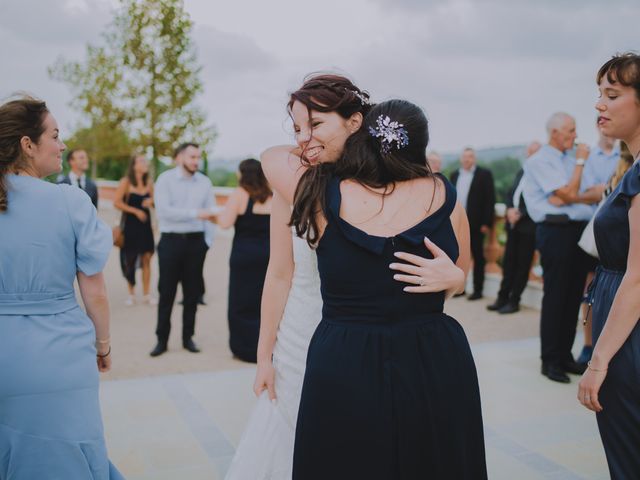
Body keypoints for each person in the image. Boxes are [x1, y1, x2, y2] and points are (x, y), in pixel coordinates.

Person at [226, 75, 465, 480]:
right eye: (297, 127)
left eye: (315, 124)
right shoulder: (298, 186)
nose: (303, 138)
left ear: (355, 122)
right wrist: (264, 356)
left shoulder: (398, 187)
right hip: (303, 334)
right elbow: (280, 274)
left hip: (353, 339)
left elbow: (437, 269)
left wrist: (456, 279)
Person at [0, 96, 124, 478]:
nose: (63, 145)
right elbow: (96, 293)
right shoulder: (69, 201)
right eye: (55, 135)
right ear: (27, 144)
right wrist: (102, 346)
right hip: (61, 357)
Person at [578, 52, 640, 480]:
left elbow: (638, 279)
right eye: (599, 94)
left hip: (628, 341)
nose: (600, 105)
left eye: (612, 94)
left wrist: (597, 361)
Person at [522, 112, 602, 383]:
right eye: (570, 130)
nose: (575, 135)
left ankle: (566, 355)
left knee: (573, 296)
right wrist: (578, 168)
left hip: (579, 232)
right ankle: (550, 360)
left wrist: (570, 194)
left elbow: (596, 191)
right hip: (555, 232)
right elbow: (567, 194)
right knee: (556, 296)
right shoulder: (538, 161)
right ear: (554, 133)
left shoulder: (571, 159)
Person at [150, 142, 215, 357]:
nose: (195, 161)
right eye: (191, 157)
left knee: (192, 294)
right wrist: (196, 213)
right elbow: (164, 212)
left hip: (196, 243)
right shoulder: (165, 180)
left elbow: (211, 213)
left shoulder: (205, 182)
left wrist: (207, 243)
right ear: (179, 158)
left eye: (198, 157)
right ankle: (162, 339)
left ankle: (188, 338)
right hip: (171, 241)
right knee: (166, 292)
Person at [214, 158, 272, 363]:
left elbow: (224, 223)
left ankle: (244, 348)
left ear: (243, 174)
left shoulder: (240, 194)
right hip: (269, 257)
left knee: (240, 302)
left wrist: (214, 216)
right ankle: (265, 350)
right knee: (264, 303)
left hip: (244, 257)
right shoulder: (272, 195)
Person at [576, 125, 620, 363]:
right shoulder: (591, 157)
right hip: (597, 233)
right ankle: (588, 344)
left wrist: (606, 189)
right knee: (590, 291)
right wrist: (612, 187)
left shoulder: (624, 152)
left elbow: (601, 190)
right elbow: (589, 192)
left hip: (621, 233)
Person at [487, 141, 541, 314]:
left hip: (528, 226)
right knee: (508, 263)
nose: (529, 155)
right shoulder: (522, 171)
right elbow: (511, 193)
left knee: (522, 265)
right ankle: (502, 297)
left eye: (533, 152)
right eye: (529, 152)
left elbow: (538, 200)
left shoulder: (541, 174)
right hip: (513, 225)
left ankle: (514, 301)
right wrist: (510, 209)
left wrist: (520, 214)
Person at [450, 147, 496, 300]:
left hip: (476, 224)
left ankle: (478, 290)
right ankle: (459, 289)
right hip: (456, 223)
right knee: (457, 255)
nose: (467, 159)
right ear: (461, 159)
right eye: (464, 157)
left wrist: (486, 223)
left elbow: (490, 200)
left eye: (470, 157)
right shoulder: (455, 174)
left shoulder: (484, 174)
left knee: (478, 256)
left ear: (474, 159)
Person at [113, 153, 156, 306]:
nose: (145, 164)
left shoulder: (149, 182)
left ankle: (146, 294)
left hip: (145, 226)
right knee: (130, 259)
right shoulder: (126, 182)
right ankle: (131, 294)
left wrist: (151, 201)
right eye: (141, 161)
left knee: (147, 259)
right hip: (131, 226)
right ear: (134, 165)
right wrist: (135, 211)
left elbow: (156, 201)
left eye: (145, 161)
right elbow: (117, 202)